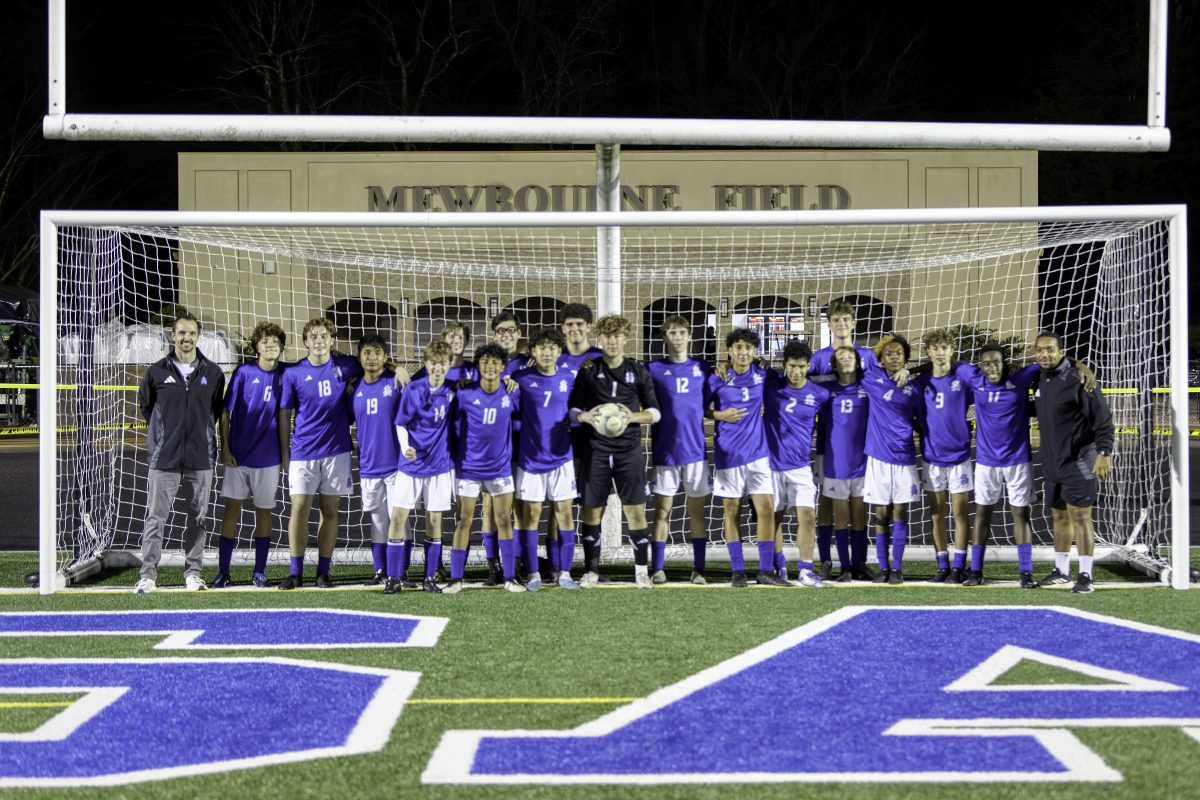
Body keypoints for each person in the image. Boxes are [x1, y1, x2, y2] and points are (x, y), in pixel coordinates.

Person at [133, 313, 226, 593]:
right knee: (155, 518)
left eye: (192, 333)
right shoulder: (156, 372)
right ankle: (148, 575)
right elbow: (147, 407)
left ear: (198, 337)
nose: (187, 338)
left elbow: (215, 411)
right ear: (172, 335)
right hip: (165, 458)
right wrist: (166, 435)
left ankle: (193, 573)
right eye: (182, 333)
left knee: (198, 519)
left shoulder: (213, 373)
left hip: (201, 459)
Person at [569, 315, 661, 588]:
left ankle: (641, 572)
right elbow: (572, 409)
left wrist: (632, 417)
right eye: (607, 336)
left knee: (635, 511)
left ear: (625, 338)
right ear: (599, 339)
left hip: (628, 449)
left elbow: (655, 412)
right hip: (596, 449)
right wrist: (584, 416)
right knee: (591, 511)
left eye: (617, 336)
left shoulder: (638, 370)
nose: (612, 341)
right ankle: (591, 571)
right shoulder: (589, 370)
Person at [277, 317, 362, 590]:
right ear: (305, 342)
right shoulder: (293, 373)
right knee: (299, 508)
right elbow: (284, 414)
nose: (319, 340)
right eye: (313, 336)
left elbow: (376, 364)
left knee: (330, 510)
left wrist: (399, 370)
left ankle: (323, 572)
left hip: (337, 449)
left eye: (324, 336)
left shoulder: (347, 365)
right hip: (303, 451)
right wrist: (285, 452)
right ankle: (295, 573)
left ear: (332, 340)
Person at [1032, 331, 1114, 593]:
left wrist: (1104, 452)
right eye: (1040, 350)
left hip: (1078, 460)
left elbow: (1103, 419)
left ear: (1061, 352)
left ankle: (1086, 575)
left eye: (1050, 350)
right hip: (1052, 462)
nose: (1045, 354)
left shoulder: (1079, 379)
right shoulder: (1041, 378)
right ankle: (1061, 571)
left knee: (1081, 516)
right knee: (1058, 516)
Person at [808, 300, 880, 578]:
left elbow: (882, 384)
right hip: (829, 443)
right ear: (829, 324)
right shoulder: (819, 358)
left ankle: (858, 562)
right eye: (836, 320)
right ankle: (827, 561)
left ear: (854, 323)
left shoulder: (867, 356)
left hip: (861, 445)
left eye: (845, 319)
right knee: (827, 503)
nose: (841, 324)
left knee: (860, 504)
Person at [962, 343, 1042, 589]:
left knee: (1021, 514)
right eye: (986, 363)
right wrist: (910, 371)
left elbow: (1051, 362)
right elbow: (944, 363)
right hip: (986, 462)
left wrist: (1081, 366)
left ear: (1005, 363)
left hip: (1018, 460)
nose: (992, 367)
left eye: (996, 362)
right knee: (982, 514)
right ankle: (976, 571)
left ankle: (1026, 573)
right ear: (980, 366)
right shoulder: (973, 378)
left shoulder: (1020, 378)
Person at [213, 321, 286, 589]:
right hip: (238, 457)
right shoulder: (244, 372)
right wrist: (225, 448)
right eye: (265, 341)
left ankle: (259, 572)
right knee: (231, 510)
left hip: (268, 458)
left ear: (281, 347)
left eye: (275, 342)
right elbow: (225, 411)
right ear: (256, 346)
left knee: (264, 513)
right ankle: (223, 572)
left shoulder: (286, 373)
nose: (270, 346)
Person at [450, 344, 523, 591]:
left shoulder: (512, 393)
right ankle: (456, 579)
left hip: (500, 468)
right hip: (468, 469)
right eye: (484, 362)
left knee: (504, 520)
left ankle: (510, 577)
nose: (489, 366)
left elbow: (522, 421)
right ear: (478, 366)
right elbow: (452, 426)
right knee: (463, 521)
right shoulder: (464, 393)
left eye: (495, 362)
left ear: (503, 367)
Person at [511, 329, 580, 590]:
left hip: (562, 457)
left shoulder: (569, 377)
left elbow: (577, 410)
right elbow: (511, 411)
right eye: (541, 348)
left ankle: (565, 573)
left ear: (559, 351)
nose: (547, 352)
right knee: (531, 515)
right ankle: (533, 574)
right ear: (532, 351)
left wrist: (577, 423)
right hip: (530, 459)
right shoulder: (521, 378)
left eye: (552, 348)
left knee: (565, 513)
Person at [706, 327, 775, 588]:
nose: (743, 352)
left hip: (758, 453)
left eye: (748, 348)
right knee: (732, 511)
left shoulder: (764, 375)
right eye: (738, 347)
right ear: (729, 350)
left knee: (765, 509)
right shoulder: (718, 377)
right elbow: (699, 407)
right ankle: (738, 570)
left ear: (755, 351)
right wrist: (719, 415)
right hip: (729, 453)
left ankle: (765, 570)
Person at [646, 315, 712, 585]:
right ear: (665, 337)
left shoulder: (702, 368)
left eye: (682, 332)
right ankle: (657, 568)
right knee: (662, 512)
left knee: (697, 512)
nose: (678, 337)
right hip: (666, 452)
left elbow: (710, 403)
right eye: (672, 333)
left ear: (689, 336)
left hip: (696, 451)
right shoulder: (653, 369)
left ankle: (699, 569)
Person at [389, 341, 456, 594]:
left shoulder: (453, 391)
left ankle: (429, 578)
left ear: (449, 365)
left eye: (442, 364)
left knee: (435, 520)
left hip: (439, 466)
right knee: (398, 516)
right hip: (411, 465)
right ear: (426, 364)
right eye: (433, 363)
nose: (437, 368)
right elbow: (400, 423)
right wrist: (405, 447)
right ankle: (393, 577)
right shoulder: (414, 389)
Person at [764, 339, 830, 587]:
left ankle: (806, 570)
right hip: (770, 466)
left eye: (801, 366)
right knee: (774, 518)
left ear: (808, 366)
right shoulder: (771, 386)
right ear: (784, 364)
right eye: (792, 366)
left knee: (808, 516)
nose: (796, 371)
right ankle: (779, 566)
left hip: (801, 466)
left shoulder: (820, 395)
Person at [914, 328, 974, 584]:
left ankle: (958, 565)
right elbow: (914, 414)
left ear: (952, 350)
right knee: (937, 513)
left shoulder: (963, 377)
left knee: (960, 514)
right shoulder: (921, 382)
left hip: (959, 456)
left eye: (945, 348)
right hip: (932, 456)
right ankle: (942, 565)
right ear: (928, 352)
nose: (940, 352)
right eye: (935, 348)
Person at [861, 334, 921, 584]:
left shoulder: (913, 388)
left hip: (904, 456)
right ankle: (883, 567)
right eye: (889, 353)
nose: (894, 357)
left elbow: (920, 419)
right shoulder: (871, 377)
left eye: (899, 353)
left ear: (906, 357)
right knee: (880, 512)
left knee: (900, 512)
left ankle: (897, 568)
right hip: (878, 456)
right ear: (882, 358)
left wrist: (910, 372)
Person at [477, 311, 526, 586]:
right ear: (493, 335)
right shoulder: (485, 365)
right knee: (489, 507)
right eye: (500, 331)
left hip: (521, 445)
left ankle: (515, 563)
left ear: (519, 333)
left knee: (517, 508)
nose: (506, 335)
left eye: (510, 330)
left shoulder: (529, 363)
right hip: (491, 448)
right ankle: (492, 566)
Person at [350, 334, 403, 588]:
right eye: (367, 353)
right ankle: (380, 570)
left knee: (399, 519)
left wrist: (399, 368)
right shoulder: (353, 389)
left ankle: (400, 571)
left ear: (386, 357)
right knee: (378, 521)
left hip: (396, 465)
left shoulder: (397, 382)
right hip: (368, 467)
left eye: (377, 353)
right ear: (359, 357)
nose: (372, 358)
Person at [819, 346, 872, 581]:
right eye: (841, 358)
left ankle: (860, 564)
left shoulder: (867, 387)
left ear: (858, 362)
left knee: (859, 515)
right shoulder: (826, 390)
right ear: (834, 365)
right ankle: (845, 567)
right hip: (835, 462)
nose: (846, 360)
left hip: (862, 460)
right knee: (840, 516)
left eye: (850, 357)